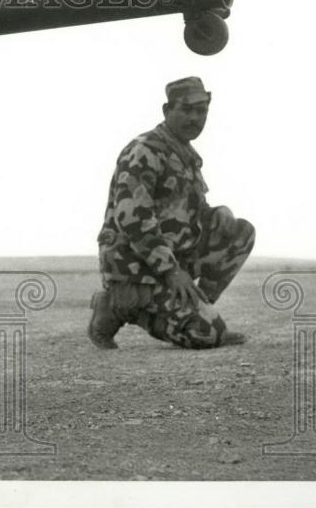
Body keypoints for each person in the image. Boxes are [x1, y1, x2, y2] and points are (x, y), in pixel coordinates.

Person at [89, 76, 255, 350]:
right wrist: (171, 271)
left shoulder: (184, 154)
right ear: (167, 111)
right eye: (186, 109)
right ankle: (116, 306)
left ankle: (196, 305)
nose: (194, 118)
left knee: (240, 232)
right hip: (135, 268)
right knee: (207, 335)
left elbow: (185, 215)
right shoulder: (144, 151)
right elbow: (133, 219)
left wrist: (216, 213)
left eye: (201, 111)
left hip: (171, 261)